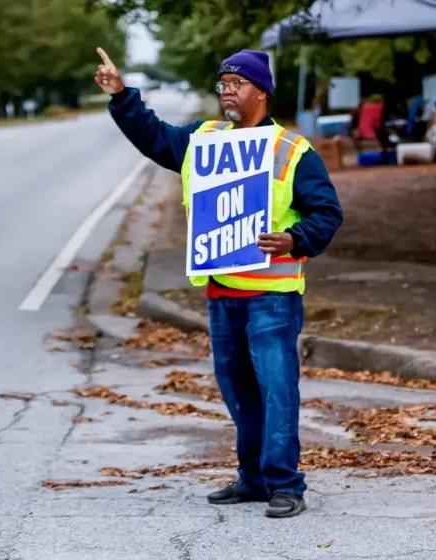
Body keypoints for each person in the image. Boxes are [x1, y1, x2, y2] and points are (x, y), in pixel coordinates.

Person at [94, 47, 344, 518]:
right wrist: (122, 95)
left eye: (238, 83)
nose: (227, 91)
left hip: (272, 295)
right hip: (222, 295)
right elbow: (153, 136)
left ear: (262, 91)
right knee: (238, 391)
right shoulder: (204, 140)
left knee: (277, 390)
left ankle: (285, 484)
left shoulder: (292, 150)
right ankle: (252, 478)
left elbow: (328, 214)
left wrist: (293, 238)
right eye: (223, 84)